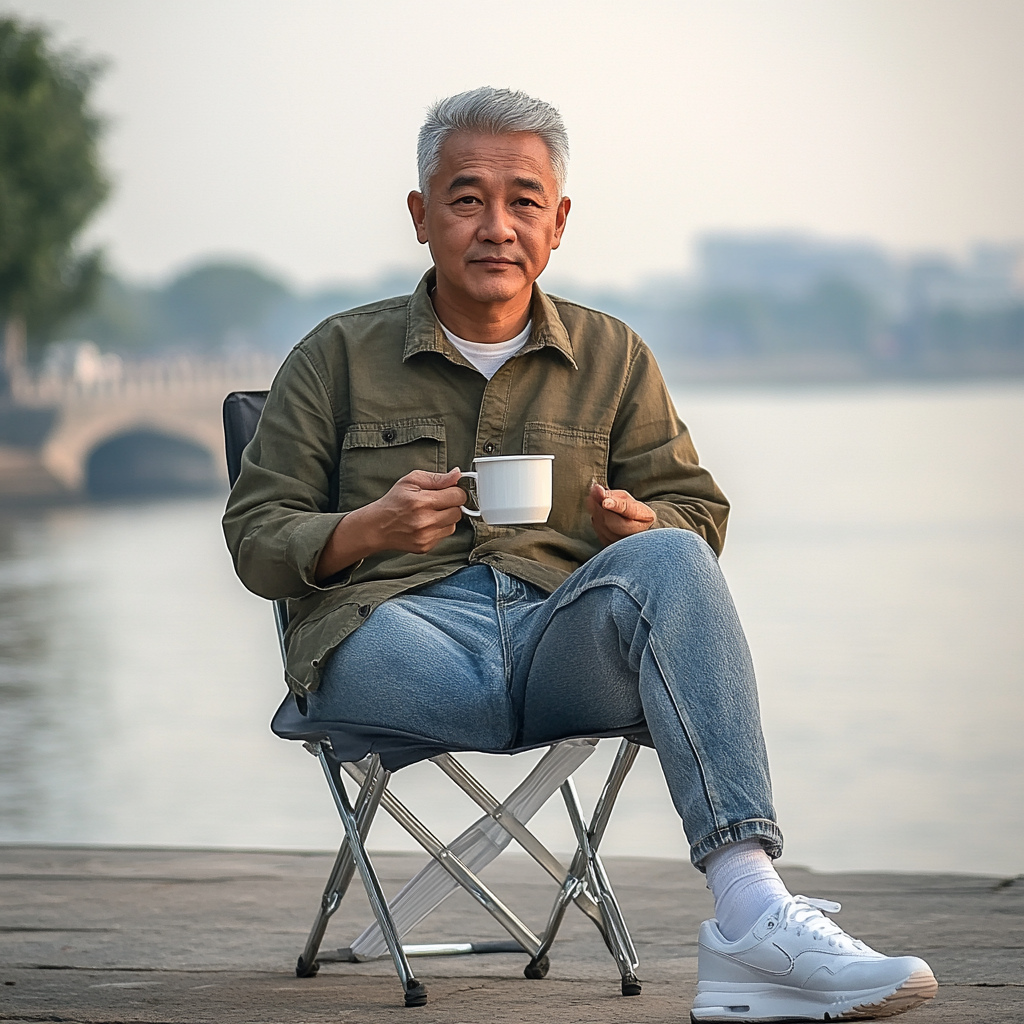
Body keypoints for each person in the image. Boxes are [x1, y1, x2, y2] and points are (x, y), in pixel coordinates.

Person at [223, 87, 936, 1022]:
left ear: (558, 222)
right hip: (398, 642)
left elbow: (697, 512)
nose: (496, 226)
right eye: (466, 197)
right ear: (420, 215)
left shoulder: (615, 356)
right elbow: (256, 539)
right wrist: (368, 529)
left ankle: (751, 915)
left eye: (524, 201)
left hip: (564, 643)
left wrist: (642, 528)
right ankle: (755, 923)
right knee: (392, 635)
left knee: (676, 562)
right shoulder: (335, 356)